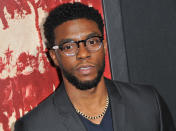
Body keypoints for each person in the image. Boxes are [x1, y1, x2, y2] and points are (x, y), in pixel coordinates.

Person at [15, 2, 175, 131]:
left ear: (104, 46)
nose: (83, 54)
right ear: (54, 57)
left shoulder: (148, 103)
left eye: (92, 42)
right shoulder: (34, 126)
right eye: (69, 46)